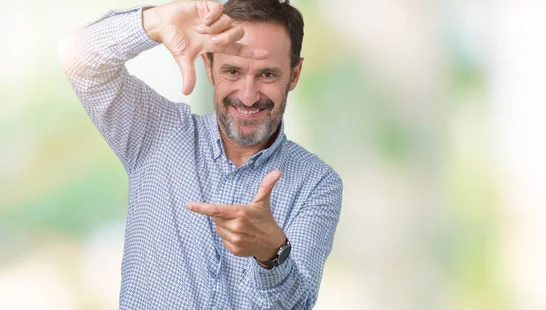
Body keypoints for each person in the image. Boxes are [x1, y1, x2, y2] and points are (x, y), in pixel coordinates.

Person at [59, 0, 343, 308]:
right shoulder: (157, 133)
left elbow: (296, 306)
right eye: (232, 71)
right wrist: (153, 21)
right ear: (208, 66)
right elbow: (81, 59)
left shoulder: (317, 184)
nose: (248, 96)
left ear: (295, 74)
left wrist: (273, 256)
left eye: (267, 75)